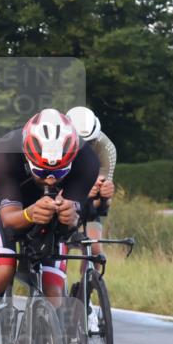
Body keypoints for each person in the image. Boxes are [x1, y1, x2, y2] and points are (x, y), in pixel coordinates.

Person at [0, 108, 100, 344]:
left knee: (53, 291)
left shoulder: (87, 160)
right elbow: (11, 220)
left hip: (46, 211)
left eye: (59, 172)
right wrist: (29, 213)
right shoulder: (7, 151)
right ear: (28, 156)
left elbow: (77, 214)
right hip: (1, 204)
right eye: (42, 171)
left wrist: (72, 215)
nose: (50, 179)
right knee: (1, 270)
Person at [66, 106, 116, 265]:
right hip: (63, 201)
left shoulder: (106, 148)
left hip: (88, 205)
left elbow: (101, 204)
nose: (85, 148)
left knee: (94, 250)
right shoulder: (57, 144)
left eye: (90, 142)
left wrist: (102, 194)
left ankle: (87, 283)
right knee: (58, 248)